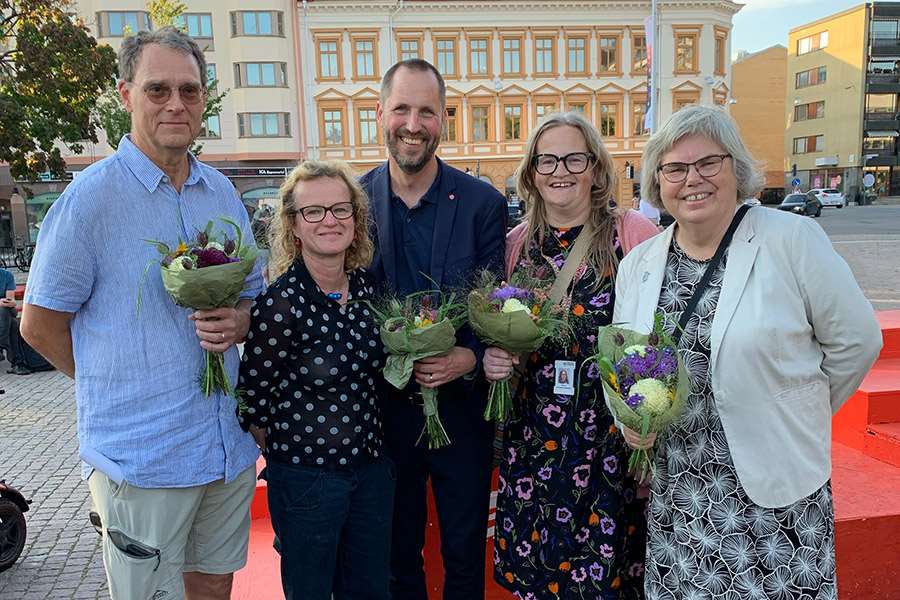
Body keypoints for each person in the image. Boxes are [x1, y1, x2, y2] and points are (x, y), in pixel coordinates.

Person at [21, 27, 264, 600]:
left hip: (223, 449)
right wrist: (114, 389)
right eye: (158, 90)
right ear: (126, 95)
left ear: (204, 99)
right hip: (144, 458)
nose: (175, 104)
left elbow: (251, 294)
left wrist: (242, 322)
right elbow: (38, 324)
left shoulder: (222, 193)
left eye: (189, 90)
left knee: (212, 587)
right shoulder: (90, 201)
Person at [615, 105, 883, 599]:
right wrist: (632, 421)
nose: (692, 179)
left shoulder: (791, 240)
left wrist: (795, 411)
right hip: (681, 496)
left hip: (776, 497)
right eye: (674, 168)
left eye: (707, 163)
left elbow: (857, 341)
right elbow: (629, 364)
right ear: (658, 183)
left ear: (735, 168)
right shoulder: (639, 264)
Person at [482, 112, 659, 599]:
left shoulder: (631, 233)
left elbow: (661, 327)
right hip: (533, 440)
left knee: (607, 577)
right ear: (532, 173)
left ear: (597, 168)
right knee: (537, 572)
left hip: (606, 445)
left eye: (574, 158)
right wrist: (496, 358)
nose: (561, 170)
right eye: (548, 160)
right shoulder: (515, 246)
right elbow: (503, 329)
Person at [359, 58, 507, 600]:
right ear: (380, 113)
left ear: (444, 119)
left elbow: (495, 303)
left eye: (427, 111)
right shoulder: (352, 203)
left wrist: (469, 355)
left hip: (462, 416)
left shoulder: (482, 204)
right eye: (401, 108)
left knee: (465, 554)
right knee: (398, 555)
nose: (413, 123)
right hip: (384, 416)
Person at [237, 160, 393, 600]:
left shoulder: (369, 290)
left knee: (370, 592)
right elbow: (252, 401)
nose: (330, 220)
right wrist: (300, 454)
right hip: (307, 484)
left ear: (356, 219)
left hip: (371, 476)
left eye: (341, 209)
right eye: (314, 212)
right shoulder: (280, 304)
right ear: (294, 226)